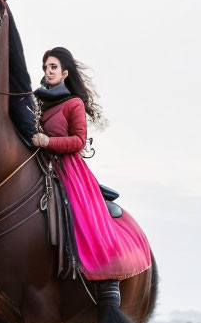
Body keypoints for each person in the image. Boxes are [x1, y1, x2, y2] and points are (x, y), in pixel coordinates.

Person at [28, 47, 152, 305]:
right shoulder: (35, 102)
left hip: (67, 169)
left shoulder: (74, 103)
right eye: (45, 67)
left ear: (64, 73)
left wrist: (48, 141)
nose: (47, 71)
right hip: (37, 164)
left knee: (80, 212)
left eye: (53, 67)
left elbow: (79, 141)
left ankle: (107, 279)